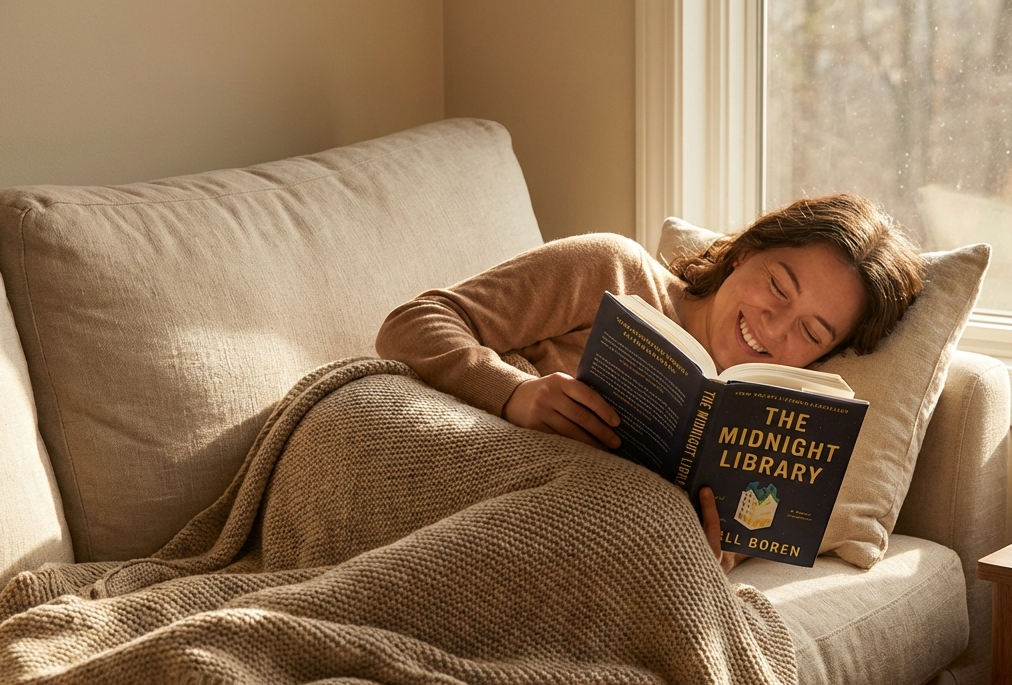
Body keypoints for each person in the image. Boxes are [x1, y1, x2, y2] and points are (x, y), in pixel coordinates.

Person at [377, 194, 923, 567]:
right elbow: (410, 324)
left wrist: (708, 557)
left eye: (811, 331)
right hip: (461, 480)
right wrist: (512, 392)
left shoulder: (765, 435)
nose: (774, 327)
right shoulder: (613, 270)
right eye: (778, 287)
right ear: (744, 254)